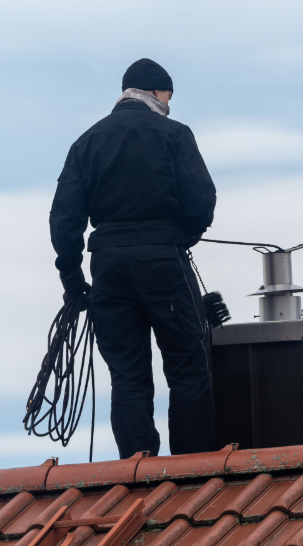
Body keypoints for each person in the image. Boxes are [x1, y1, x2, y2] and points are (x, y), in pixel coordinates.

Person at [49, 58, 217, 458]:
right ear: (158, 92)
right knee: (188, 369)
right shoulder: (174, 134)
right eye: (169, 96)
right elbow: (202, 201)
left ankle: (136, 473)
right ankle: (191, 471)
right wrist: (185, 235)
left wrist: (72, 281)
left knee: (127, 375)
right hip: (164, 261)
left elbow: (64, 220)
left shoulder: (87, 141)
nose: (170, 104)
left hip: (108, 266)